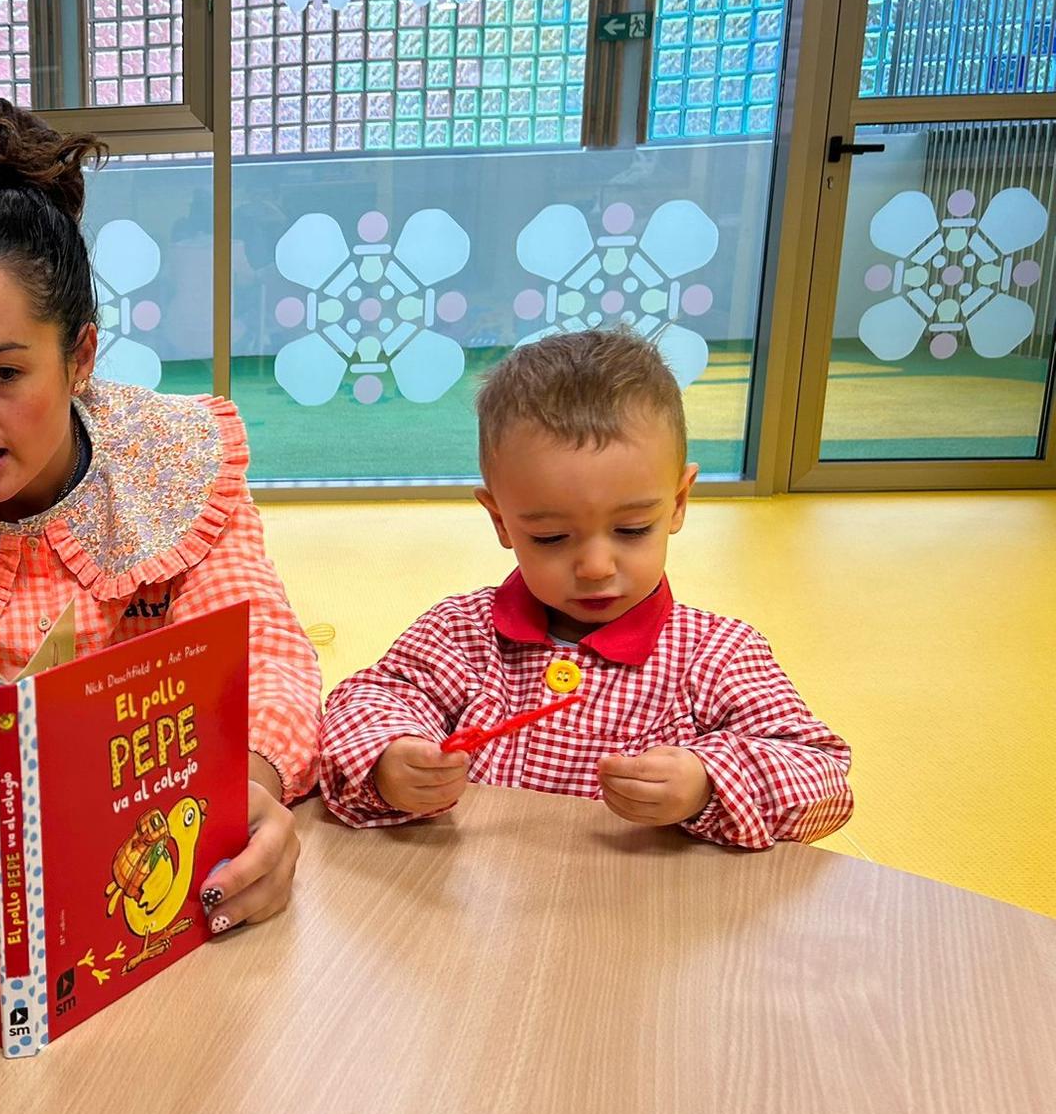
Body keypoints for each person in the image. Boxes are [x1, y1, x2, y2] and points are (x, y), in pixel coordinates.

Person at [0, 98, 322, 933]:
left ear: (80, 357)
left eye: (1, 373)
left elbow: (261, 657)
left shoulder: (170, 464)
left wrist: (248, 790)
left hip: (152, 884)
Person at [321, 328, 852, 849]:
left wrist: (705, 781)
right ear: (501, 520)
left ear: (679, 502)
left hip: (646, 902)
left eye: (632, 529)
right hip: (477, 896)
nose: (596, 567)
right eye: (551, 537)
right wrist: (391, 759)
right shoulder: (461, 633)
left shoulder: (717, 654)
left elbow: (822, 779)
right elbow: (364, 702)